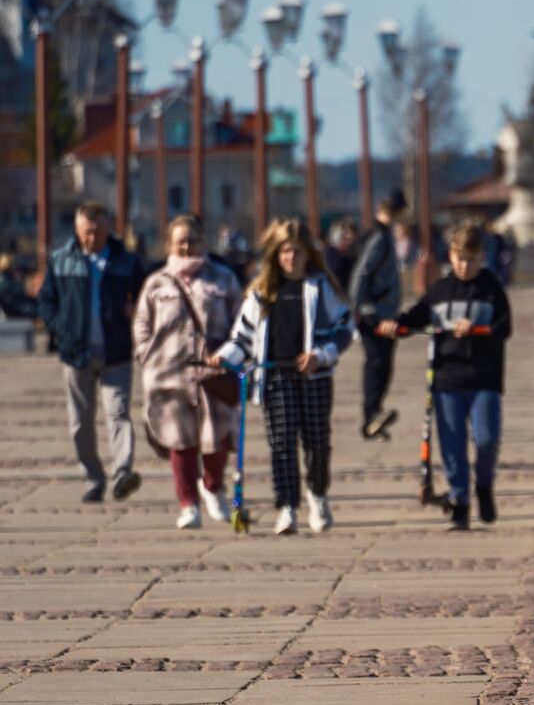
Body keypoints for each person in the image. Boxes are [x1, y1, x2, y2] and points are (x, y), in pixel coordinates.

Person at [215, 218, 353, 535]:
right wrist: (224, 358)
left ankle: (317, 495)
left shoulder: (321, 287)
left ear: (308, 254)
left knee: (318, 442)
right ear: (276, 254)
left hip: (314, 376)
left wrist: (321, 355)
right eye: (285, 251)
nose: (291, 258)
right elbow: (242, 338)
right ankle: (287, 506)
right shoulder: (262, 293)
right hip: (274, 377)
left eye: (297, 251)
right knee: (281, 443)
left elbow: (345, 328)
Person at [378, 224, 511, 530]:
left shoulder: (491, 289)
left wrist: (480, 330)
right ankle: (460, 500)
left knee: (486, 439)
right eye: (459, 258)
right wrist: (394, 326)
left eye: (472, 259)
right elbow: (415, 317)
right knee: (452, 444)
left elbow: (505, 328)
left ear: (482, 258)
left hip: (484, 380)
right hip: (446, 379)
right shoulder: (439, 291)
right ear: (450, 256)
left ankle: (484, 484)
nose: (465, 265)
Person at [132, 214, 243, 529]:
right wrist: (145, 352)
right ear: (170, 244)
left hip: (213, 374)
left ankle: (212, 487)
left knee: (216, 437)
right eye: (180, 240)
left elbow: (240, 319)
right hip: (168, 374)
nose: (186, 245)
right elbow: (142, 321)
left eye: (192, 239)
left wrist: (232, 353)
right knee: (179, 440)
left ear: (202, 242)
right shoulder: (157, 282)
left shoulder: (223, 278)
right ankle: (188, 504)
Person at [37, 201, 147, 503]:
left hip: (117, 354)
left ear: (109, 227)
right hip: (76, 355)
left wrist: (135, 310)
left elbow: (147, 296)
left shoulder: (127, 261)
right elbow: (46, 300)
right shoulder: (61, 260)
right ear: (77, 229)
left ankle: (122, 474)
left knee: (120, 414)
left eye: (98, 232)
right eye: (86, 232)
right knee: (80, 422)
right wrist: (61, 327)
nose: (92, 238)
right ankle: (93, 478)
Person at [349, 190, 406, 440]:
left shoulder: (381, 235)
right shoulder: (379, 238)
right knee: (377, 364)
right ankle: (371, 414)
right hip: (376, 314)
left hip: (384, 313)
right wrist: (366, 309)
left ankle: (374, 415)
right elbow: (361, 274)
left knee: (382, 365)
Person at [323, 217, 359, 293]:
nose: (349, 241)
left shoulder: (353, 255)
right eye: (346, 238)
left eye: (352, 239)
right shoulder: (331, 255)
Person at [0, 252, 38, 319]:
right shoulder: (5, 281)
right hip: (16, 308)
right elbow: (14, 298)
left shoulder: (10, 278)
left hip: (18, 305)